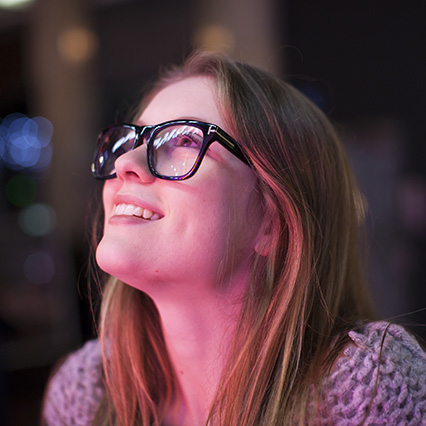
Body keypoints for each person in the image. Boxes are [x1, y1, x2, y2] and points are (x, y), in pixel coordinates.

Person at [42, 52, 426, 426]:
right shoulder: (85, 392)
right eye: (130, 141)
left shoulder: (366, 392)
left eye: (184, 141)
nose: (125, 164)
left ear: (272, 222)